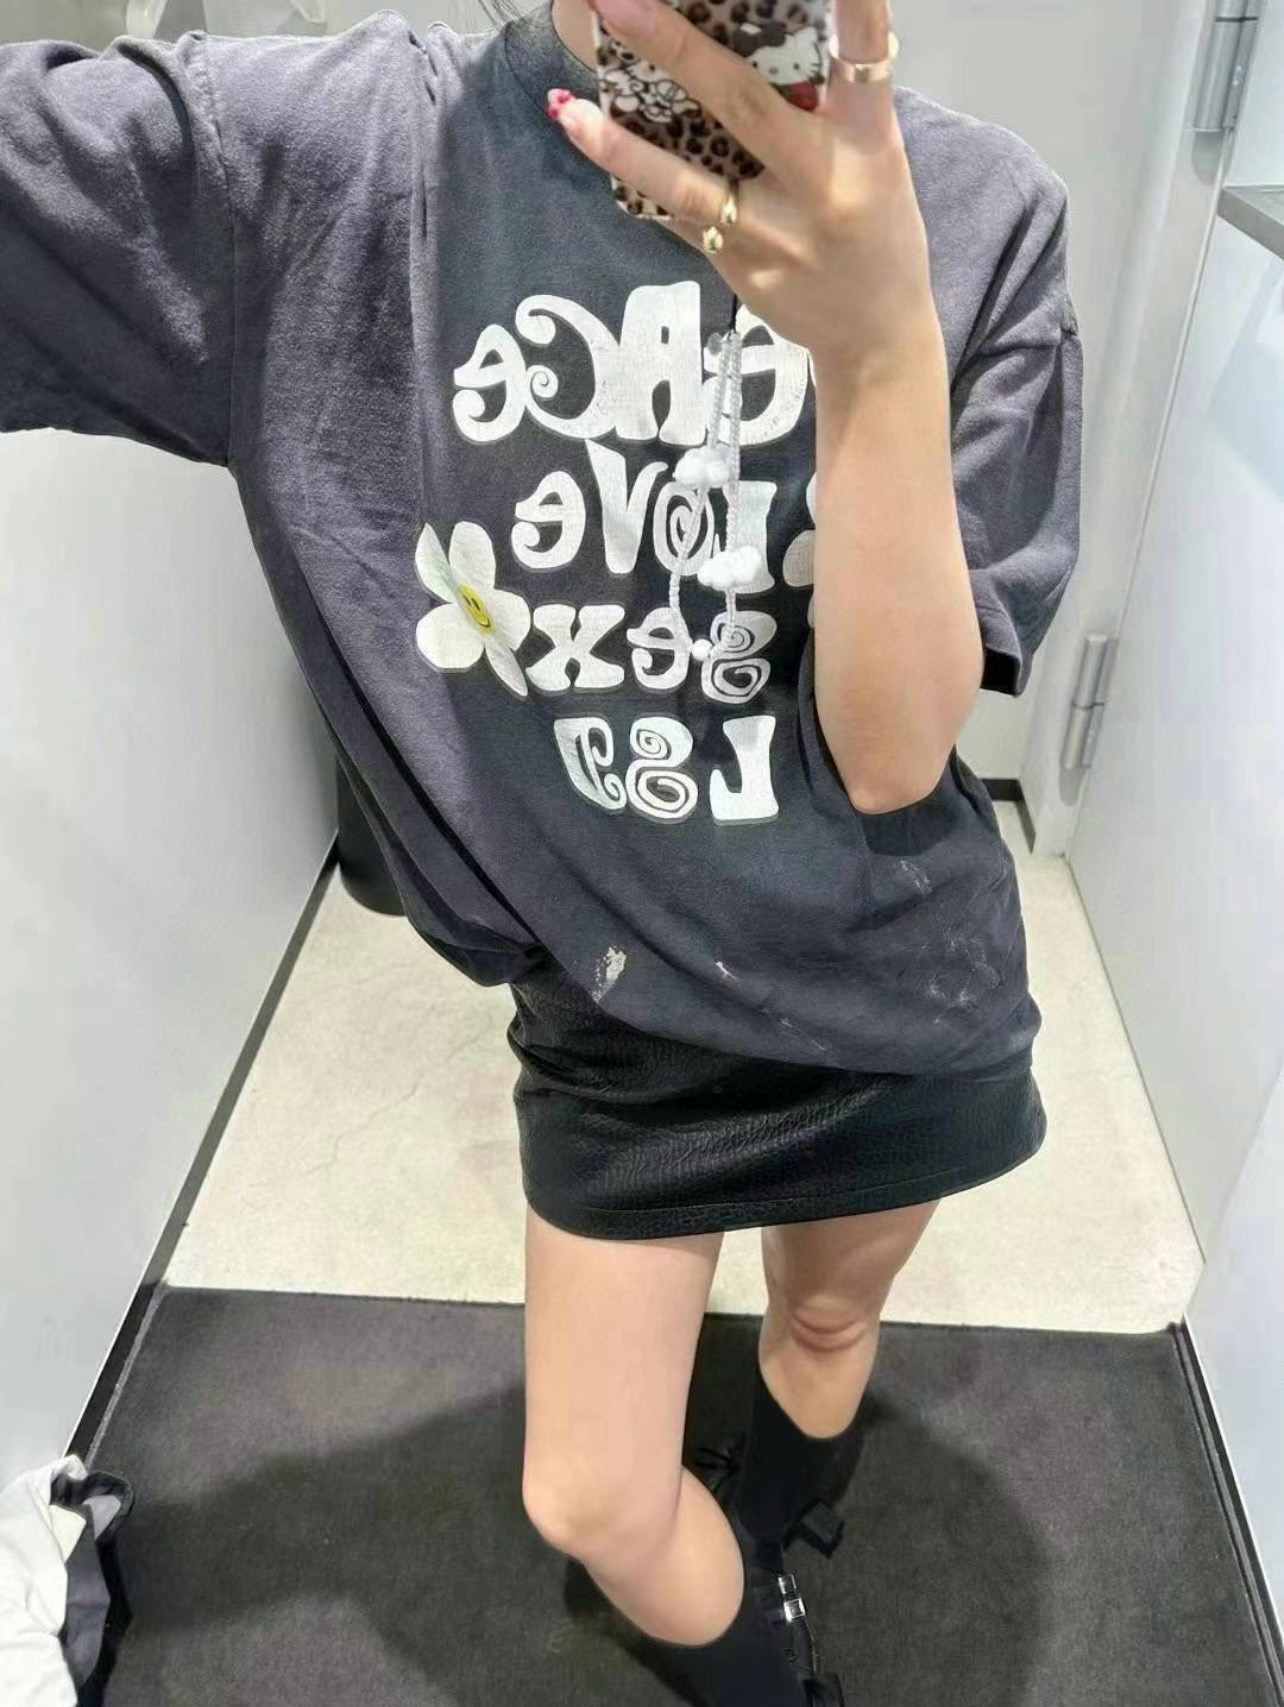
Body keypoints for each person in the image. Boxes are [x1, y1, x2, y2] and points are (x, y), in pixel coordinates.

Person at [0, 0, 1083, 1698]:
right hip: (618, 1017)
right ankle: (765, 1659)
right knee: (590, 1490)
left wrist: (880, 353)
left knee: (824, 1321)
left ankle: (779, 1529)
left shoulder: (983, 212)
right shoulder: (347, 169)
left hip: (888, 985)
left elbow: (892, 759)